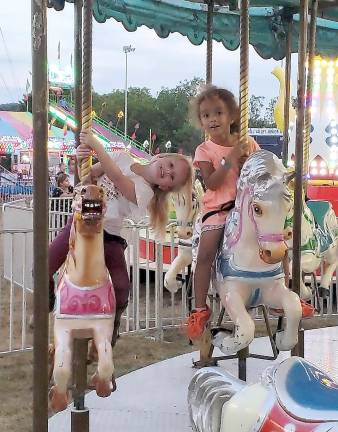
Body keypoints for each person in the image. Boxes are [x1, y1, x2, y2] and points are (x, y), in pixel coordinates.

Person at [48, 129, 193, 347]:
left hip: (108, 236)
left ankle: (114, 321)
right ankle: (47, 297)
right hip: (78, 225)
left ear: (165, 187)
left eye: (172, 177)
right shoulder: (121, 157)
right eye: (171, 165)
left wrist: (96, 145)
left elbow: (117, 177)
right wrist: (82, 160)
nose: (167, 171)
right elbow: (90, 176)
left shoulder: (147, 194)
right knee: (45, 263)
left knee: (122, 285)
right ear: (161, 157)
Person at [186, 85, 260, 340]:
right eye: (206, 115)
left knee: (275, 238)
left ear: (232, 116)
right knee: (206, 252)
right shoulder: (204, 150)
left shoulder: (247, 143)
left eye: (218, 112)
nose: (212, 119)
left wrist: (246, 158)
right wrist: (230, 159)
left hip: (245, 208)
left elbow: (259, 173)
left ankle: (285, 288)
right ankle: (198, 309)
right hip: (218, 209)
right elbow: (212, 184)